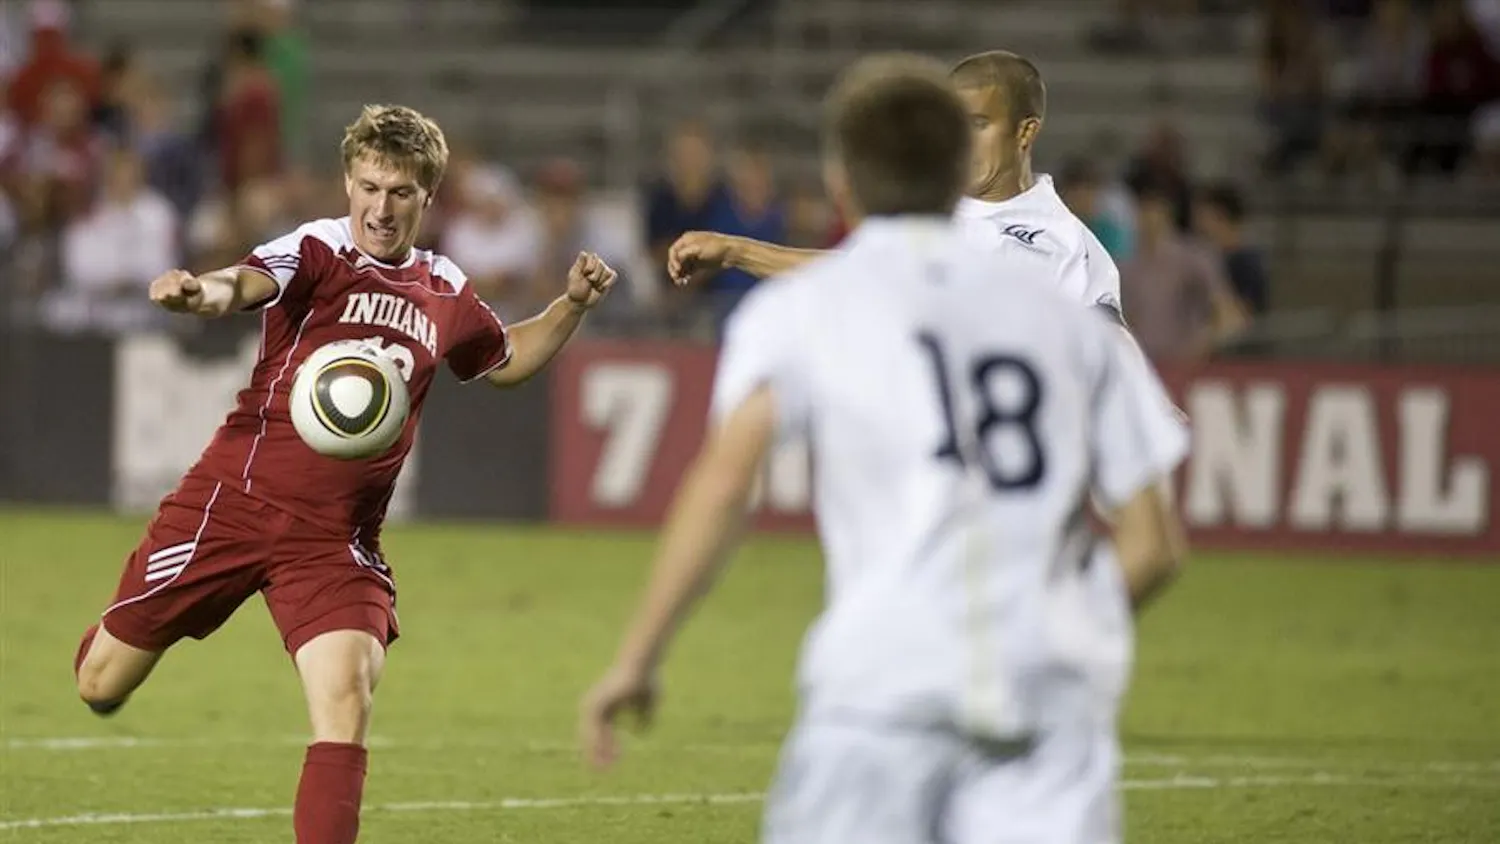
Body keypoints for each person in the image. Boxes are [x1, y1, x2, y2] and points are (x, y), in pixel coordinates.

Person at [581, 53, 1190, 844]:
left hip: (877, 687)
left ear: (844, 182)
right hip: (1043, 700)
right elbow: (1154, 542)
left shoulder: (816, 311)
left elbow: (727, 483)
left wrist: (638, 655)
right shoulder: (1073, 322)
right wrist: (1066, 631)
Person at [72, 103, 617, 844]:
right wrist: (198, 295)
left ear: (429, 197)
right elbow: (243, 283)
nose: (380, 209)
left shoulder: (443, 287)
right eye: (367, 187)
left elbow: (505, 360)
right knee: (100, 684)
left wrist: (570, 305)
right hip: (229, 505)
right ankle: (114, 637)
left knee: (346, 698)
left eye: (399, 193)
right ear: (347, 182)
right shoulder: (316, 251)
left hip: (333, 541)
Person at [665, 50, 1126, 323]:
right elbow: (859, 269)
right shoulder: (930, 205)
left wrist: (737, 252)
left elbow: (1108, 341)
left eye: (979, 124)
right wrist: (733, 251)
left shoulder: (1068, 246)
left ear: (1025, 133)